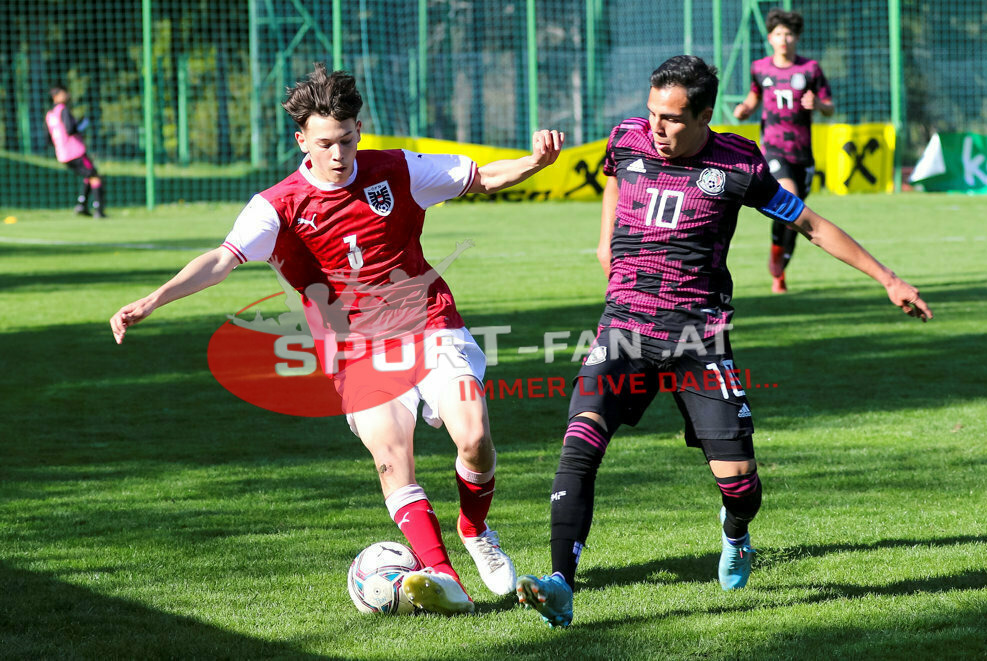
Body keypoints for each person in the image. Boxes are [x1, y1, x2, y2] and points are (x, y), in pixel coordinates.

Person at [110, 63, 565, 615]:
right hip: (358, 350)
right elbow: (220, 261)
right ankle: (446, 581)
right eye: (325, 143)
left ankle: (476, 529)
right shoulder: (276, 206)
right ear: (302, 140)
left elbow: (480, 177)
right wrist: (154, 299)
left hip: (429, 324)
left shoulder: (396, 170)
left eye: (347, 139)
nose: (338, 153)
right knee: (392, 459)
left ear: (357, 131)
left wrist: (535, 162)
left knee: (474, 438)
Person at [516, 55, 931, 628]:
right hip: (624, 329)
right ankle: (561, 581)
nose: (656, 128)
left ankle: (736, 533)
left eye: (672, 118)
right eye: (652, 113)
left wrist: (888, 278)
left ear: (706, 115)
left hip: (697, 339)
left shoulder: (739, 163)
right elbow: (614, 178)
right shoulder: (626, 139)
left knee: (739, 483)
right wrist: (605, 242)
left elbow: (809, 225)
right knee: (579, 444)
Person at [733, 8, 833, 293]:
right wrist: (744, 110)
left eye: (789, 34)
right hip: (774, 151)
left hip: (803, 154)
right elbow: (753, 98)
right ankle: (778, 273)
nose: (784, 39)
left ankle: (779, 262)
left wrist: (819, 105)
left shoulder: (810, 69)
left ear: (797, 38)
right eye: (778, 34)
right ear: (770, 38)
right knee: (790, 199)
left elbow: (829, 106)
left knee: (795, 216)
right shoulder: (760, 68)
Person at [46, 85, 106, 218]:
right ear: (56, 96)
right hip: (75, 151)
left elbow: (49, 138)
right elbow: (70, 129)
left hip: (62, 153)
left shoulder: (50, 114)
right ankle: (99, 210)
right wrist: (83, 125)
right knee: (95, 176)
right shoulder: (63, 110)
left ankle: (82, 205)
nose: (67, 95)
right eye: (64, 93)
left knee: (89, 175)